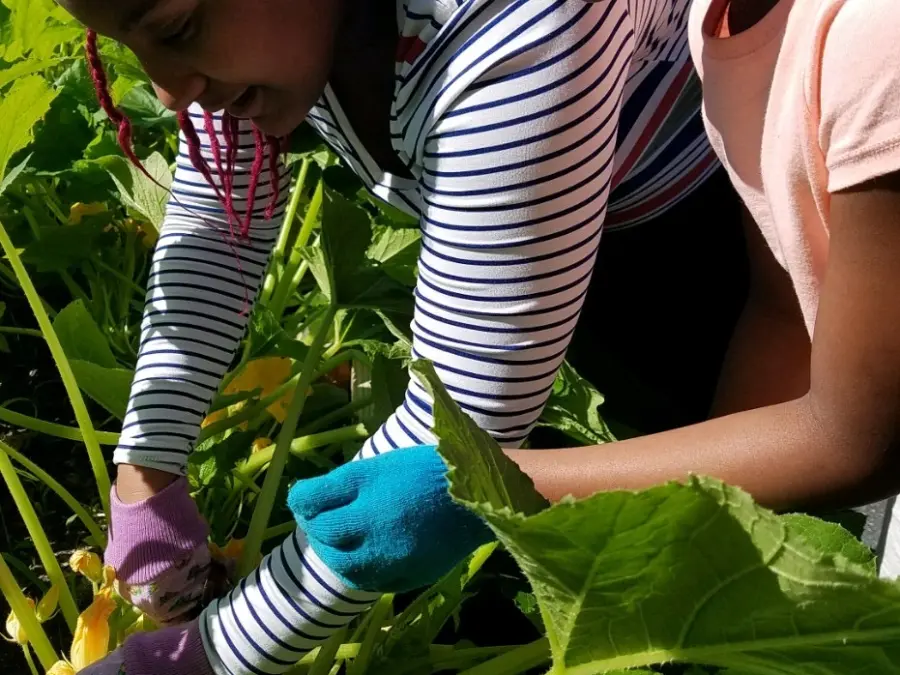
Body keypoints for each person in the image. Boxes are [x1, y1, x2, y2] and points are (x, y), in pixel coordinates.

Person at [61, 0, 725, 673]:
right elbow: (218, 215)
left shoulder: (521, 26)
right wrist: (145, 474)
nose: (168, 86)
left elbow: (456, 445)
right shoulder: (265, 34)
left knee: (704, 548)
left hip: (696, 256)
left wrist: (195, 658)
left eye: (176, 29)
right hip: (548, 226)